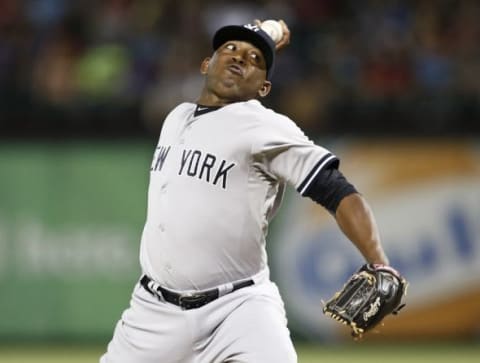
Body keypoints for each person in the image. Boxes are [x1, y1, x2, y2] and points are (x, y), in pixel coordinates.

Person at [100, 19, 389, 363]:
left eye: (254, 59)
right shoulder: (175, 117)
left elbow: (338, 191)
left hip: (238, 309)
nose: (239, 59)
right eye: (230, 50)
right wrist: (267, 36)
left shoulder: (265, 127)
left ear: (263, 88)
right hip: (153, 312)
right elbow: (255, 43)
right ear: (206, 65)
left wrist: (379, 263)